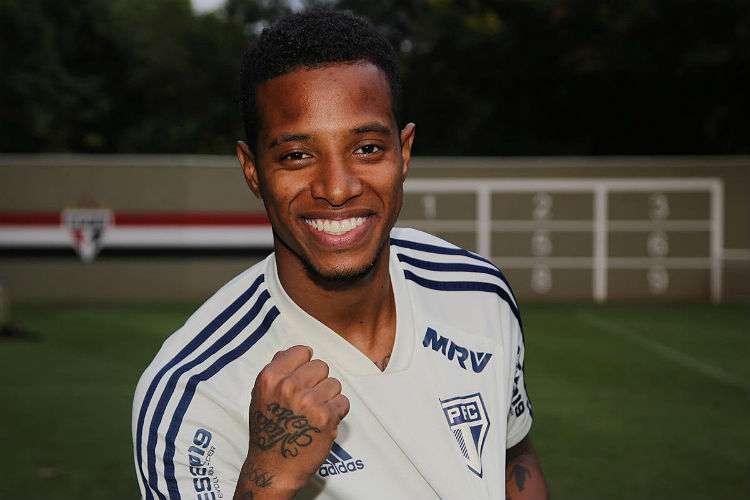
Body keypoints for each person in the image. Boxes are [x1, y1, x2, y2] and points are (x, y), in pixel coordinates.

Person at [132, 9, 548, 500]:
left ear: (403, 153)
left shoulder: (478, 293)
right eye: (297, 155)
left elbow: (513, 459)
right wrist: (267, 480)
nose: (336, 188)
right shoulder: (192, 393)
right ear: (252, 170)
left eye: (367, 148)